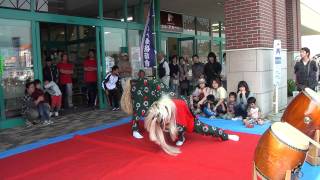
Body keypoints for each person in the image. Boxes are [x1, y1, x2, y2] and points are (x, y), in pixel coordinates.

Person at [143, 96, 240, 156]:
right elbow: (154, 133)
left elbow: (190, 112)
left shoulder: (179, 104)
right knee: (174, 128)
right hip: (175, 122)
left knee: (208, 129)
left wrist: (194, 118)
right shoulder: (156, 112)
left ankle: (226, 135)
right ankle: (181, 136)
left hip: (189, 121)